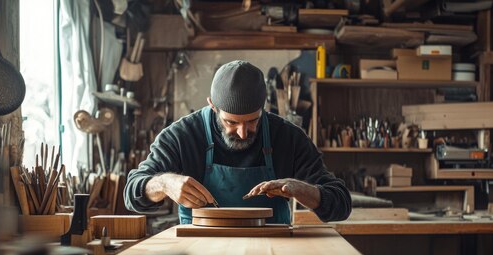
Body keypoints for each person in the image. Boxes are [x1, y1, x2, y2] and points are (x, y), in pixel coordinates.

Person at [124, 60, 351, 224]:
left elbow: (341, 205)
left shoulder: (288, 137)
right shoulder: (182, 136)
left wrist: (304, 190)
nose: (243, 133)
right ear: (213, 105)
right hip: (201, 252)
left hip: (272, 251)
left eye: (253, 121)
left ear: (263, 108)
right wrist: (164, 183)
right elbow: (131, 194)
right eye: (231, 122)